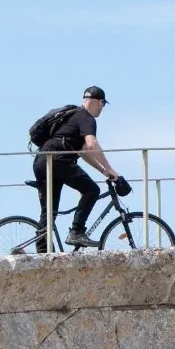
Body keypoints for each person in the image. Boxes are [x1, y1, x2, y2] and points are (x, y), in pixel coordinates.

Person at [34, 86, 130, 247]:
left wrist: (104, 171)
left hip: (42, 161)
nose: (102, 108)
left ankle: (42, 252)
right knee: (92, 190)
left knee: (50, 211)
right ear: (98, 102)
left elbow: (84, 151)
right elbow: (92, 144)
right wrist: (111, 169)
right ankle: (77, 232)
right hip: (58, 161)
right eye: (102, 104)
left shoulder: (73, 115)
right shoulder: (86, 117)